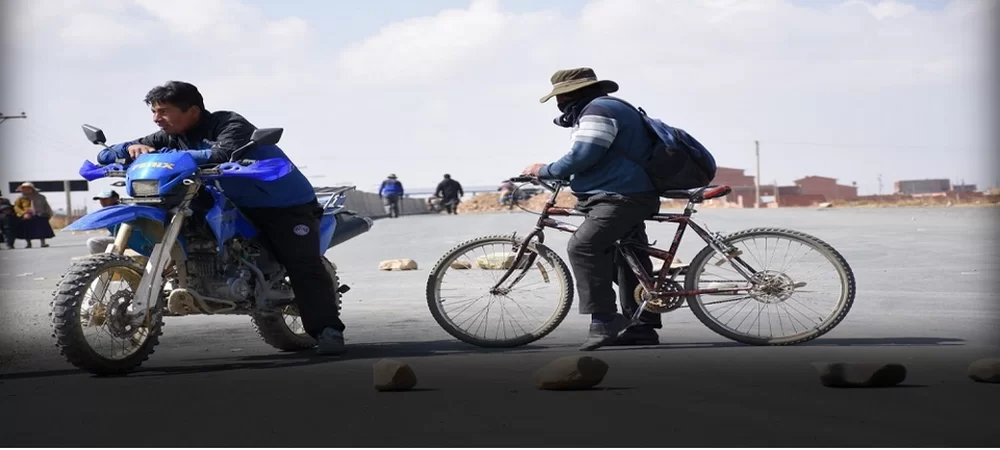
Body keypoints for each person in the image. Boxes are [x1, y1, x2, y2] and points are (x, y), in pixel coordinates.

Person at [94, 80, 347, 355]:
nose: (157, 119)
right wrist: (132, 149)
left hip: (282, 205)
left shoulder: (229, 123)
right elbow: (106, 154)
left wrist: (174, 156)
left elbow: (223, 153)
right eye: (154, 112)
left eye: (163, 111)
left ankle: (328, 331)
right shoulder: (168, 135)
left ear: (192, 110)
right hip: (230, 202)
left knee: (301, 264)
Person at [521, 67, 664, 351]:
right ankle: (642, 325)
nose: (560, 105)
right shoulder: (607, 108)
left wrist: (545, 170)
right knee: (626, 256)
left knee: (583, 246)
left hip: (619, 197)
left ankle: (604, 319)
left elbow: (584, 153)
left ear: (571, 94)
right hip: (627, 193)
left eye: (560, 98)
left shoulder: (598, 110)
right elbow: (600, 157)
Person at [13, 182, 55, 248]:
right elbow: (16, 207)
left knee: (42, 229)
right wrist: (24, 213)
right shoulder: (20, 198)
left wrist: (49, 213)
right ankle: (28, 243)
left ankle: (43, 243)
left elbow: (46, 205)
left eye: (28, 188)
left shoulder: (41, 197)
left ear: (32, 189)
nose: (26, 190)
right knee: (27, 230)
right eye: (24, 189)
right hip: (27, 215)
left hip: (40, 215)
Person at [86, 190, 122, 254]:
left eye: (105, 199)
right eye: (101, 199)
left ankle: (104, 261)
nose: (102, 202)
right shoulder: (107, 212)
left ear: (115, 199)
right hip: (116, 238)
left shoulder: (122, 210)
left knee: (93, 242)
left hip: (127, 240)